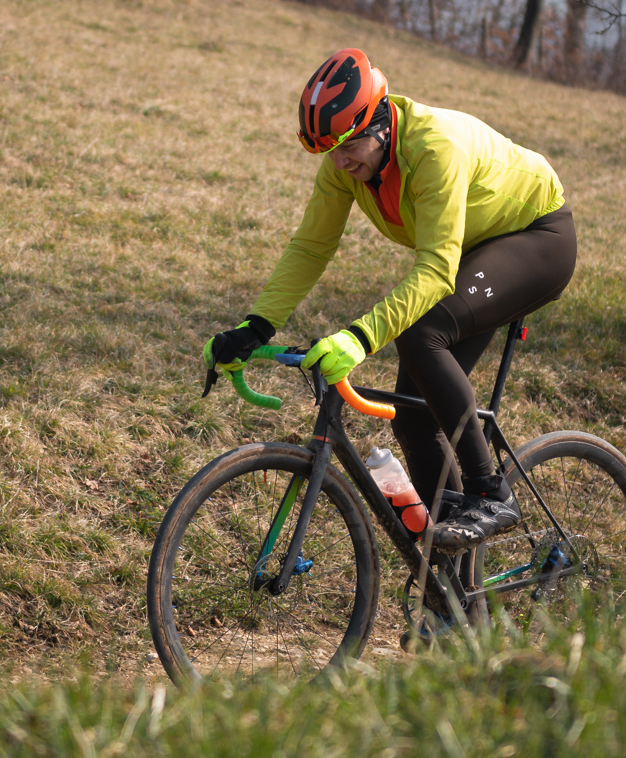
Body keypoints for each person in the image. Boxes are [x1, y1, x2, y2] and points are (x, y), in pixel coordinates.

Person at [204, 48, 576, 551]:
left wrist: (359, 337)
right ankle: (453, 589)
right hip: (475, 246)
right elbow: (312, 246)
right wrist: (256, 327)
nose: (339, 161)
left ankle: (491, 492)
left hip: (537, 239)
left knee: (422, 336)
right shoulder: (345, 161)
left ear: (380, 122)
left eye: (347, 145)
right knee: (416, 410)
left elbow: (437, 271)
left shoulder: (433, 148)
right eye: (327, 150)